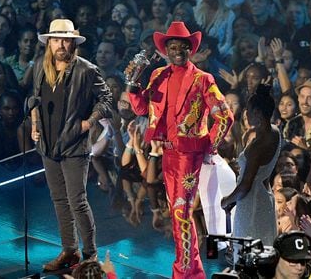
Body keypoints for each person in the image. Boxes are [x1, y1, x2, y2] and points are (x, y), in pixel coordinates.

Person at [126, 21, 233, 278]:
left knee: (181, 212)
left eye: (182, 47)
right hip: (168, 155)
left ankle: (185, 271)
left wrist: (208, 147)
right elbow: (141, 109)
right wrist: (132, 85)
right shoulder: (158, 75)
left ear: (190, 50)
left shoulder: (202, 79)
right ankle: (190, 268)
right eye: (172, 47)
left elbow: (225, 117)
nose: (177, 51)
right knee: (176, 214)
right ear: (165, 50)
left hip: (189, 156)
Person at [29, 19, 112, 271]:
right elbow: (35, 100)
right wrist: (34, 126)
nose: (61, 44)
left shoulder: (86, 70)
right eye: (56, 39)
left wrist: (88, 124)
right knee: (59, 200)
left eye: (65, 39)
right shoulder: (40, 68)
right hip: (48, 145)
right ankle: (69, 250)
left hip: (74, 145)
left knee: (77, 200)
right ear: (49, 43)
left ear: (73, 42)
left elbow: (106, 99)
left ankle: (90, 256)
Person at [221, 83, 280, 251]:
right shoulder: (275, 132)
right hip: (264, 198)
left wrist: (227, 200)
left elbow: (245, 186)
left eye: (248, 109)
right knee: (264, 250)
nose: (245, 113)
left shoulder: (258, 146)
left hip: (251, 203)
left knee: (248, 252)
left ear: (257, 113)